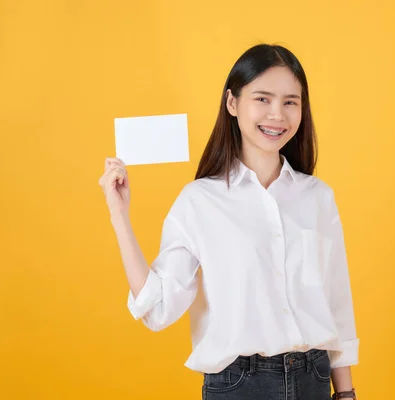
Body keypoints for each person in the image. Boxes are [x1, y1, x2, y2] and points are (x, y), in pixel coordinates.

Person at [98, 43, 359, 400]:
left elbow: (336, 303)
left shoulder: (317, 197)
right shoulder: (200, 201)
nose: (277, 115)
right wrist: (119, 215)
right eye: (262, 99)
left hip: (313, 379)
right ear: (232, 103)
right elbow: (157, 309)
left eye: (290, 102)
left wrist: (345, 394)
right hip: (239, 387)